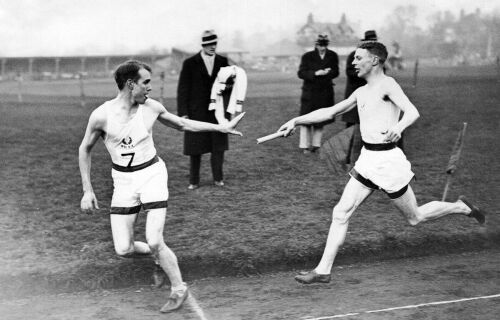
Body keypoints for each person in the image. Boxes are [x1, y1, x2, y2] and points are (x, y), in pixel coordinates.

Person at [277, 42, 486, 284]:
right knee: (341, 212)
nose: (353, 63)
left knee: (415, 218)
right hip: (367, 159)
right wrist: (296, 120)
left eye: (358, 58)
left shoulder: (388, 85)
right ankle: (323, 271)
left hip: (388, 162)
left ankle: (461, 207)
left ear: (374, 61)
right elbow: (330, 111)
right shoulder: (361, 92)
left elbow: (412, 112)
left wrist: (398, 128)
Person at [78, 60, 244, 312]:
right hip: (123, 181)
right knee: (123, 249)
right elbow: (84, 149)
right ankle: (159, 259)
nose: (150, 88)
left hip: (151, 174)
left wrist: (222, 127)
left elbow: (183, 124)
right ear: (130, 84)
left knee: (155, 239)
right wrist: (87, 189)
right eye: (146, 83)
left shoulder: (151, 108)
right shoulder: (101, 115)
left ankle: (178, 287)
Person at [177, 30, 230, 189]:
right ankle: (194, 181)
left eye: (215, 43)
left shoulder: (223, 61)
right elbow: (183, 89)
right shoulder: (189, 63)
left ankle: (218, 179)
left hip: (217, 112)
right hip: (196, 113)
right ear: (203, 45)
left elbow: (230, 87)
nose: (212, 47)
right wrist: (183, 113)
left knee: (218, 147)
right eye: (209, 44)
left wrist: (227, 108)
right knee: (195, 148)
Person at [297, 32, 339, 154]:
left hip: (325, 92)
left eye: (325, 45)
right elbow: (301, 73)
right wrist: (315, 73)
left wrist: (328, 72)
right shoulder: (307, 56)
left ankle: (316, 144)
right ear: (316, 45)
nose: (323, 48)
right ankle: (304, 146)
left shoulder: (332, 55)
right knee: (306, 119)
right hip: (310, 93)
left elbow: (336, 72)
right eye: (320, 45)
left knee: (321, 119)